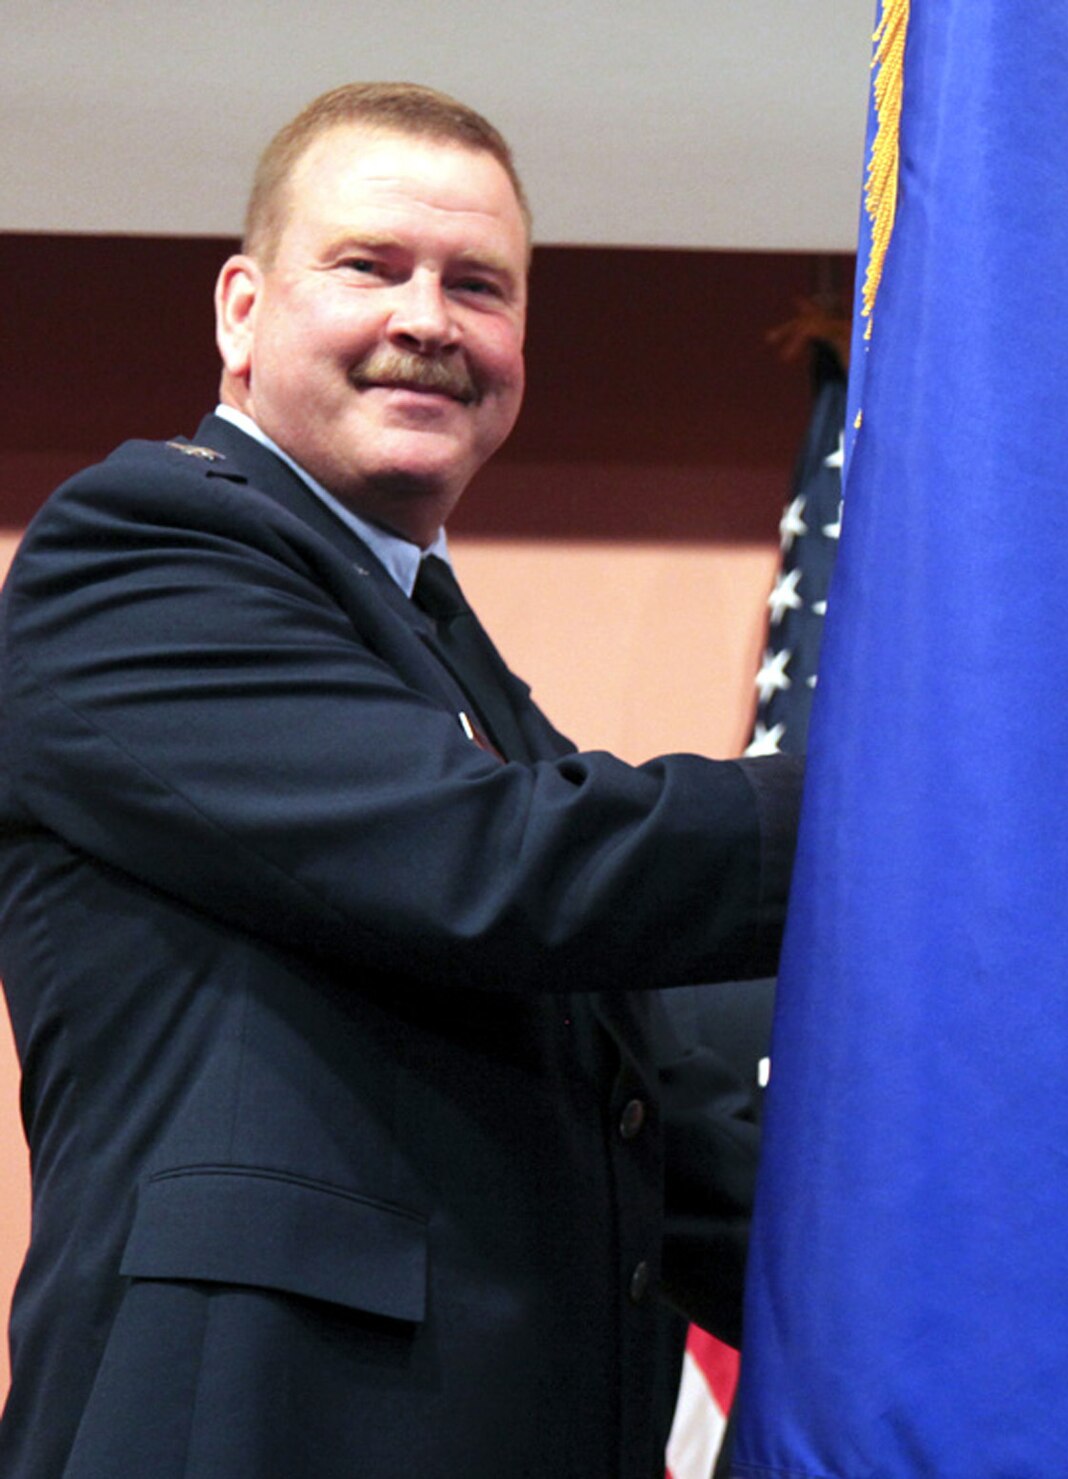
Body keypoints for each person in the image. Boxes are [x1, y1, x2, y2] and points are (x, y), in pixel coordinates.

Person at [0, 83, 800, 1479]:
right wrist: (902, 804)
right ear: (242, 310)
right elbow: (499, 872)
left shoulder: (455, 663)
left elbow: (645, 1110)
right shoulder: (138, 550)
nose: (429, 318)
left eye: (478, 285)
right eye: (371, 266)